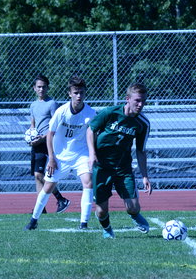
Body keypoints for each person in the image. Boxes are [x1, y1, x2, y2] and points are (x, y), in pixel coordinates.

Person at [25, 76, 96, 230]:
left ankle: (84, 224)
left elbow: (92, 134)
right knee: (48, 186)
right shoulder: (61, 111)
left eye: (81, 92)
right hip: (60, 156)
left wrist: (92, 155)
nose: (79, 96)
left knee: (88, 182)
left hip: (80, 154)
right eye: (75, 92)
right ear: (69, 93)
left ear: (85, 93)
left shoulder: (90, 113)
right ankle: (33, 220)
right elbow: (50, 134)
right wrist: (51, 158)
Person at [87, 83, 152, 239]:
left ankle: (134, 215)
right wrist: (92, 153)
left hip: (123, 168)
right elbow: (90, 130)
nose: (140, 104)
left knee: (133, 207)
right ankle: (107, 228)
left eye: (143, 101)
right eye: (137, 100)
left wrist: (145, 176)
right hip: (102, 167)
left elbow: (141, 151)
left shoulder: (143, 123)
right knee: (101, 211)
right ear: (127, 99)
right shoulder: (110, 113)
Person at [28, 74, 70, 214]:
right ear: (34, 88)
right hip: (37, 143)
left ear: (47, 88)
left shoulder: (52, 104)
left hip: (48, 142)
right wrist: (30, 136)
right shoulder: (33, 105)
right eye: (39, 87)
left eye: (44, 87)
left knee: (41, 175)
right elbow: (33, 124)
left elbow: (56, 125)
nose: (41, 89)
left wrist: (43, 138)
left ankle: (60, 198)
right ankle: (42, 208)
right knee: (37, 176)